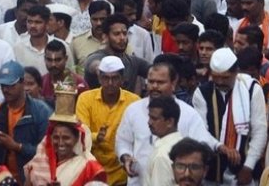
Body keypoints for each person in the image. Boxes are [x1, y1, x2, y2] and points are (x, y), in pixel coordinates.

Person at [115, 62, 230, 186]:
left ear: (173, 83)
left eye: (160, 82)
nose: (154, 86)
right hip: (138, 181)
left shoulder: (188, 113)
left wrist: (219, 146)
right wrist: (125, 157)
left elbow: (202, 141)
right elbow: (122, 141)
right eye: (151, 81)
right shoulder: (133, 110)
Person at [191, 48, 267, 185]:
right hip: (212, 169)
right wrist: (221, 147)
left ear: (236, 72)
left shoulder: (252, 90)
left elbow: (259, 131)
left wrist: (248, 167)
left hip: (245, 168)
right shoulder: (202, 93)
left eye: (225, 77)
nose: (219, 82)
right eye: (216, 77)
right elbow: (200, 131)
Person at [75, 56, 140, 186]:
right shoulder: (85, 99)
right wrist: (95, 137)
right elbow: (80, 133)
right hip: (92, 173)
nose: (110, 83)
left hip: (122, 174)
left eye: (115, 78)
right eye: (106, 78)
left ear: (122, 79)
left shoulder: (134, 102)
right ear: (99, 78)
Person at [0, 60, 51, 183]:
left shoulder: (41, 111)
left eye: (11, 85)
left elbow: (48, 151)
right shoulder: (0, 110)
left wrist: (17, 147)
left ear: (23, 83)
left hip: (32, 179)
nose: (6, 90)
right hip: (5, 178)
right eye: (2, 86)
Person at [143, 96, 182, 186]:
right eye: (149, 117)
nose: (149, 122)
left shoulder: (162, 155)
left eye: (154, 119)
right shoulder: (182, 143)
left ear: (170, 122)